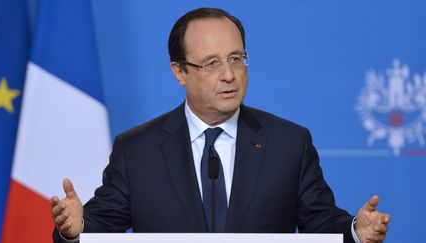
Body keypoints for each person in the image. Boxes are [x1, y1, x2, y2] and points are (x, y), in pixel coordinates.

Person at [50, 7, 390, 243]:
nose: (229, 75)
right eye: (211, 63)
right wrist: (75, 227)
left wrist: (358, 231)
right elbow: (98, 229)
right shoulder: (138, 150)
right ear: (179, 72)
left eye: (237, 59)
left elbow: (324, 228)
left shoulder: (289, 143)